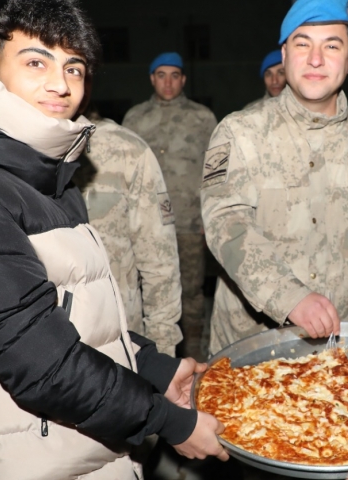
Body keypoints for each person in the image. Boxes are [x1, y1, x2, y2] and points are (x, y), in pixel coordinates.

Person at [0, 1, 226, 478]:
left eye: (74, 67)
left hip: (71, 446)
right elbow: (38, 359)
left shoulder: (38, 173)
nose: (60, 84)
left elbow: (68, 313)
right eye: (35, 62)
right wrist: (168, 421)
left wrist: (154, 367)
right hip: (19, 458)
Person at [201, 0, 348, 354]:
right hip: (253, 350)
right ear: (284, 55)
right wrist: (289, 297)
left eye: (331, 46)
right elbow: (227, 224)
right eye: (303, 44)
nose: (315, 59)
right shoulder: (239, 133)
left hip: (346, 345)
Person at [123, 52, 217, 359]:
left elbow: (215, 171)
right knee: (147, 293)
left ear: (183, 79)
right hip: (146, 226)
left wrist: (210, 215)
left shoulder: (203, 118)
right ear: (151, 78)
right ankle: (155, 359)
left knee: (191, 295)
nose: (168, 81)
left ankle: (193, 357)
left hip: (189, 223)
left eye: (174, 75)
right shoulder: (135, 118)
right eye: (161, 75)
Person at [74, 117, 184, 356]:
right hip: (38, 349)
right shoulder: (4, 148)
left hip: (118, 342)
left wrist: (162, 352)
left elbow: (159, 260)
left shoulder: (126, 149)